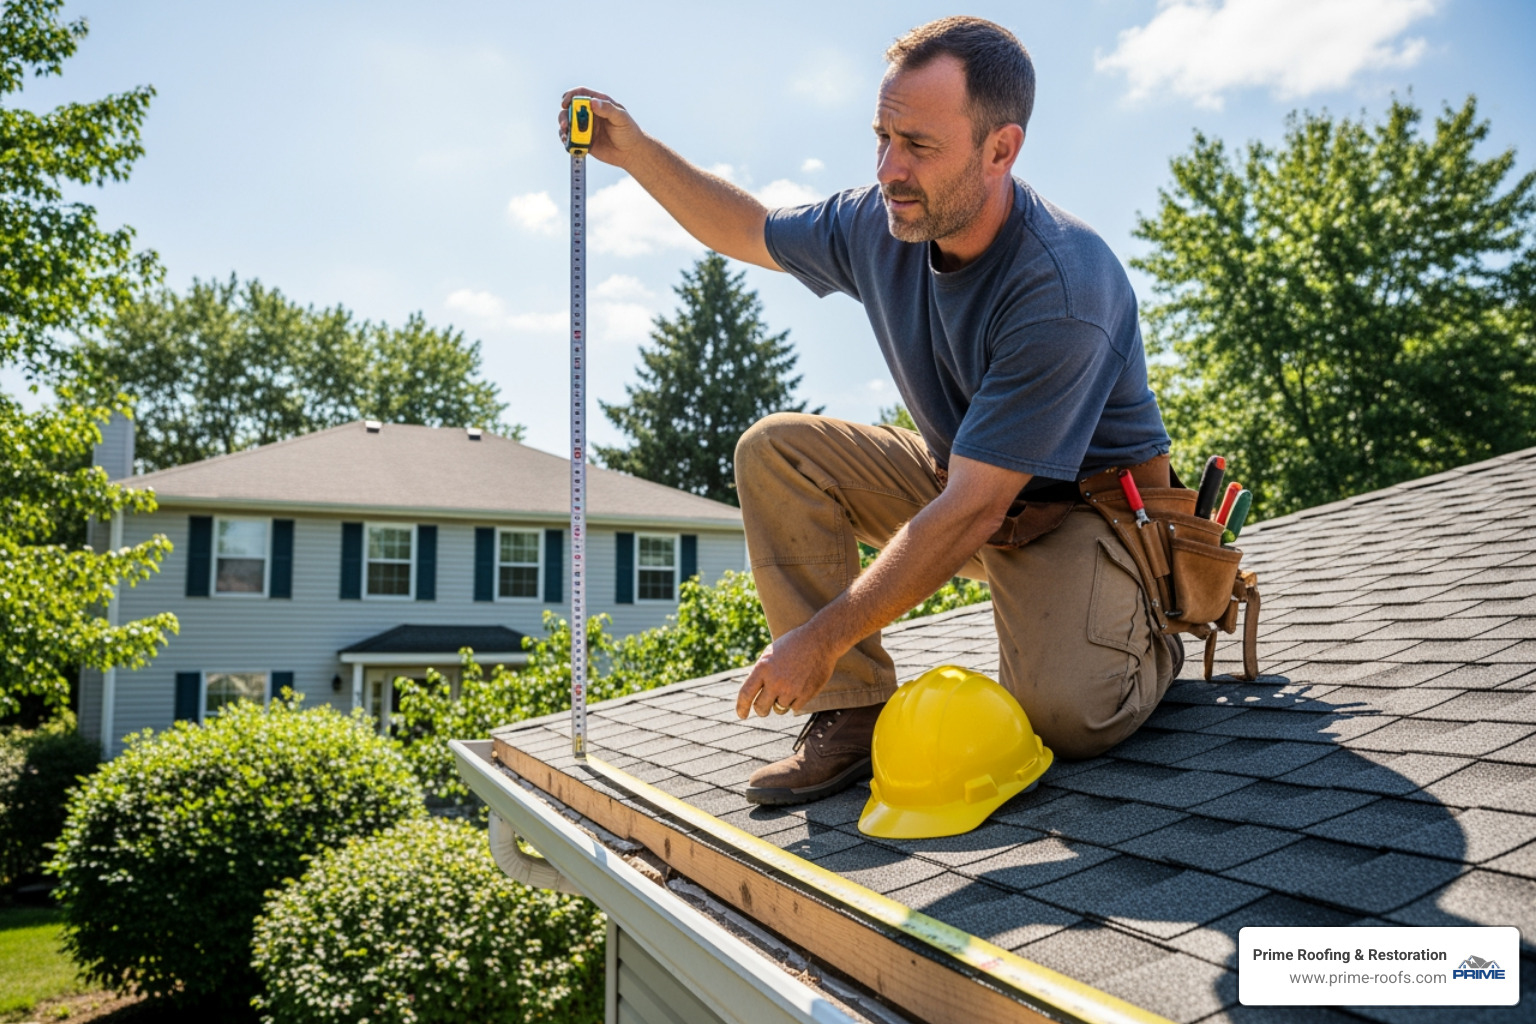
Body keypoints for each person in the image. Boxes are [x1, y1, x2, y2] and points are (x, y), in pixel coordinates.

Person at [559, 16, 1179, 807]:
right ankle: (850, 715)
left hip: (1084, 515)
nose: (890, 168)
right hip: (966, 483)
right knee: (777, 451)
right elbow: (747, 229)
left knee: (1072, 718)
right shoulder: (881, 221)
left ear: (1001, 150)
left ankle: (1149, 621)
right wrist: (635, 151)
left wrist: (815, 640)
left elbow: (972, 511)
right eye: (881, 136)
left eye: (918, 145)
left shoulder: (1063, 285)